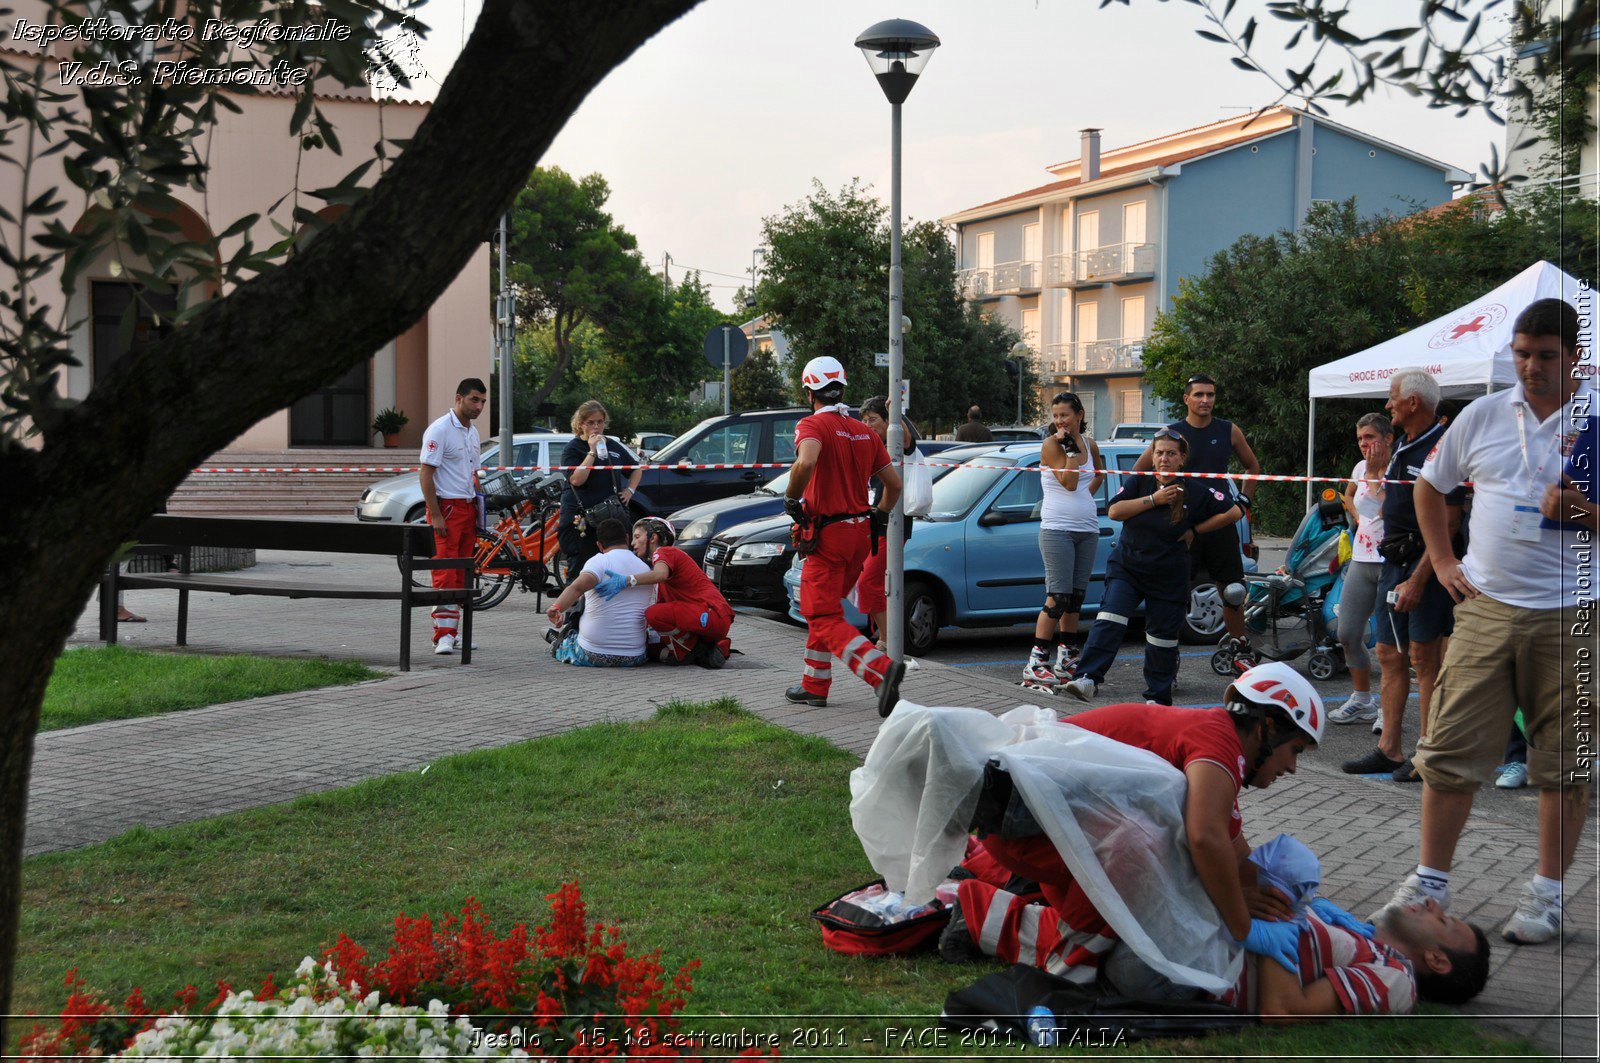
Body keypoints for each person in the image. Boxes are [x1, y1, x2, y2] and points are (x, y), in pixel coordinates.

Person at [1374, 298, 1594, 946]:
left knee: (1564, 762)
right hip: (1486, 607)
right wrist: (1441, 561)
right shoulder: (1486, 414)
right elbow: (1428, 484)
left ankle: (1548, 895)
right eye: (1521, 355)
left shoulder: (1599, 418)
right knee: (1447, 750)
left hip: (1576, 612)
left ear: (1574, 355)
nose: (1530, 368)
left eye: (1545, 356)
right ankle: (1429, 883)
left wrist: (1586, 512)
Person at [943, 663, 1326, 987]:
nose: (1292, 767)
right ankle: (1033, 956)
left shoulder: (1213, 740)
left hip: (1039, 824)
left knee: (1119, 933)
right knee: (1107, 936)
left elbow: (1237, 859)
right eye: (1295, 751)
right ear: (1268, 727)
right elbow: (1205, 839)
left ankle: (982, 910)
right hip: (1035, 828)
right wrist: (1244, 927)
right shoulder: (1218, 741)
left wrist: (1311, 909)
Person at [1340, 369, 1465, 782]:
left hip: (1422, 567)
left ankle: (1426, 756)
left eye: (1394, 398)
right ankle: (1389, 749)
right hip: (1391, 563)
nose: (1388, 404)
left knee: (1424, 659)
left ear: (1413, 403)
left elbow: (1447, 526)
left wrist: (1418, 579)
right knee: (1389, 654)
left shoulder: (1441, 450)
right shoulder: (1402, 446)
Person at [1063, 430, 1241, 705]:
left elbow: (1233, 512)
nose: (1164, 458)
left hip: (1169, 574)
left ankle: (1157, 698)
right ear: (1152, 456)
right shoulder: (1139, 482)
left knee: (1162, 639)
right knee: (1110, 619)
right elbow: (1115, 511)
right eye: (1159, 453)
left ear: (1182, 458)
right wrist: (1154, 500)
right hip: (1129, 568)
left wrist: (1196, 528)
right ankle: (1087, 679)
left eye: (1171, 453)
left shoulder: (1196, 490)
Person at [783, 356, 905, 716]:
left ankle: (881, 671)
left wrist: (792, 498)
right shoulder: (865, 431)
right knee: (827, 610)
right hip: (859, 533)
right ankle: (814, 684)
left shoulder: (812, 425)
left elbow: (805, 462)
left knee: (820, 614)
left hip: (828, 535)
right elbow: (894, 485)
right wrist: (880, 516)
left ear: (809, 392)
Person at [1132, 374, 1261, 649]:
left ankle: (1240, 650)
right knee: (1173, 593)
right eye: (1199, 395)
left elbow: (1253, 467)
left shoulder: (1228, 430)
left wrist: (1244, 502)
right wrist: (1154, 501)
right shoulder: (1172, 434)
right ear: (1186, 399)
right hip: (1181, 523)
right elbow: (1138, 471)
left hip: (1220, 521)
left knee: (1233, 592)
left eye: (1210, 395)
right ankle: (1168, 656)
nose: (1205, 400)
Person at [1023, 392, 1104, 689]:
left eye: (1065, 415)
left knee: (1075, 598)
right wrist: (1068, 445)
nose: (1059, 421)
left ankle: (1067, 658)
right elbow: (1069, 483)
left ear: (1079, 415)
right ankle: (1036, 662)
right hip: (1057, 528)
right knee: (1057, 597)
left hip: (1088, 528)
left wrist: (1086, 499)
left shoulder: (1090, 444)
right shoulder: (1052, 445)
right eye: (1055, 416)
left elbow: (1099, 475)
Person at [597, 516, 733, 668]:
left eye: (637, 537)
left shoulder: (664, 552)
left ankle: (695, 652)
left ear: (653, 537)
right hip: (712, 620)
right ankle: (712, 649)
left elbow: (660, 575)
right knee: (651, 647)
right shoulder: (664, 562)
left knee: (653, 614)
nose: (633, 544)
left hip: (711, 613)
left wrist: (626, 581)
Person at [1329, 413, 1393, 725]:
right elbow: (1352, 497)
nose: (1364, 444)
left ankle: (1388, 708)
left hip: (1390, 562)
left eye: (1370, 437)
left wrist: (1374, 472)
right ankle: (1362, 698)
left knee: (1388, 644)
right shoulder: (1359, 468)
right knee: (1348, 632)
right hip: (1361, 558)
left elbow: (1378, 505)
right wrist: (1354, 515)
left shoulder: (1398, 467)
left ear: (1387, 438)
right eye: (1360, 439)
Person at [419, 377, 487, 656]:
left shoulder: (472, 432)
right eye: (474, 399)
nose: (479, 406)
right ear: (458, 398)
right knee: (446, 574)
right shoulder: (440, 429)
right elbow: (426, 473)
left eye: (482, 401)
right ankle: (442, 636)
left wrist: (480, 506)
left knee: (462, 573)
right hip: (446, 508)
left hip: (467, 508)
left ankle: (454, 632)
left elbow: (473, 474)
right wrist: (435, 515)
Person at [856, 395, 921, 650]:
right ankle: (882, 636)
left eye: (873, 419)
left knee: (868, 583)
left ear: (887, 421)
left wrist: (896, 414)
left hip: (892, 525)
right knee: (869, 583)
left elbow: (906, 439)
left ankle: (887, 640)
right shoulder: (872, 445)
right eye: (864, 420)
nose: (868, 424)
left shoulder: (898, 444)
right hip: (873, 524)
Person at [543, 517, 651, 667]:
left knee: (563, 642)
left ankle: (556, 640)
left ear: (599, 545)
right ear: (627, 538)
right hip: (635, 656)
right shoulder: (645, 569)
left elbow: (577, 587)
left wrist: (556, 607)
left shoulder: (599, 561)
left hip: (592, 653)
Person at [558, 400, 644, 579]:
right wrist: (592, 452)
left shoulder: (612, 445)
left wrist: (630, 491)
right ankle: (577, 606)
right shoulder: (572, 448)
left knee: (620, 557)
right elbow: (576, 480)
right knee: (581, 564)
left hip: (609, 515)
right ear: (581, 424)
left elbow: (636, 468)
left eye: (600, 422)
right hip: (581, 517)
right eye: (591, 422)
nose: (596, 426)